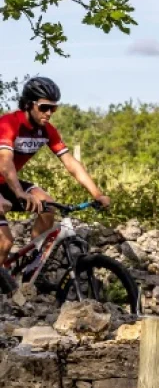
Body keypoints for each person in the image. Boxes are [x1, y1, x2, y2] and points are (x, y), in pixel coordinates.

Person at [0, 77, 110, 265]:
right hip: (8, 181)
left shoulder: (47, 131)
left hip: (5, 183)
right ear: (28, 104)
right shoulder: (9, 123)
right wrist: (19, 192)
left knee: (48, 206)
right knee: (5, 242)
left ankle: (28, 265)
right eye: (44, 107)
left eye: (54, 108)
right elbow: (5, 160)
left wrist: (98, 194)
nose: (49, 113)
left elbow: (71, 163)